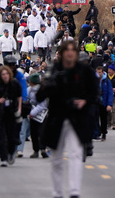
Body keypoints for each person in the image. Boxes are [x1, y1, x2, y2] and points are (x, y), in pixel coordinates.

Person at [37, 39, 97, 198]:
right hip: (57, 117)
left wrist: (84, 101)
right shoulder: (54, 70)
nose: (70, 53)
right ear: (62, 53)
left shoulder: (84, 71)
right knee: (56, 158)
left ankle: (74, 191)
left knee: (76, 154)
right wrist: (46, 84)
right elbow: (40, 95)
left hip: (77, 118)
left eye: (73, 50)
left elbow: (94, 94)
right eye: (67, 50)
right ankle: (57, 192)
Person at [0, 66, 22, 166]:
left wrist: (19, 109)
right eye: (3, 74)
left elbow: (19, 96)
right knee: (1, 136)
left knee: (11, 136)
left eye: (7, 74)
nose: (5, 76)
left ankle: (11, 152)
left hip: (11, 112)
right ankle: (3, 159)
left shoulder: (15, 83)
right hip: (0, 113)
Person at [94, 64, 113, 142]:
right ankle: (97, 132)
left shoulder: (107, 81)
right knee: (95, 118)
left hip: (103, 102)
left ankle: (104, 133)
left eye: (100, 72)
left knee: (103, 119)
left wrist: (109, 104)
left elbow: (110, 92)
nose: (99, 74)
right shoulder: (94, 80)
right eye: (97, 72)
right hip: (96, 102)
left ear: (102, 72)